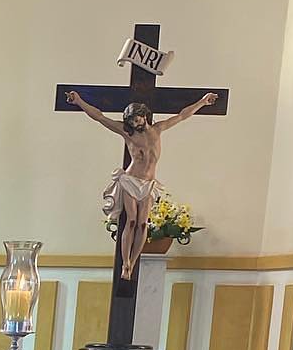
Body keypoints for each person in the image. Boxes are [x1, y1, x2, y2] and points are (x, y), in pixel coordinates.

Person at [65, 89, 218, 279]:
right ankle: (125, 263)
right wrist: (79, 101)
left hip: (148, 184)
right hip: (130, 180)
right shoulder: (127, 133)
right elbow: (100, 117)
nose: (134, 124)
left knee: (143, 224)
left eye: (136, 119)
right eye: (131, 121)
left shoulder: (158, 129)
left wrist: (202, 102)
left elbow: (181, 116)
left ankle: (133, 261)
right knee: (131, 221)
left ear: (144, 115)